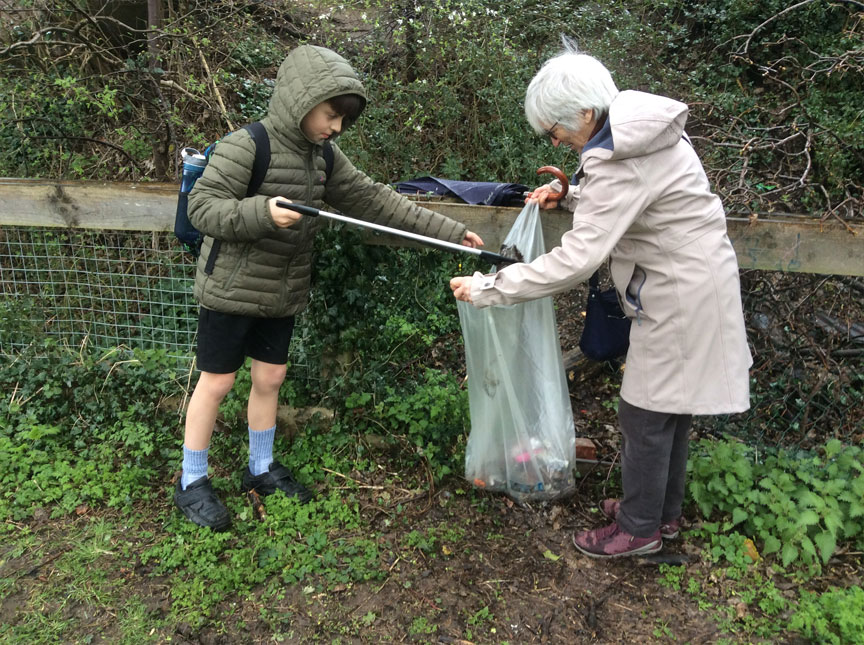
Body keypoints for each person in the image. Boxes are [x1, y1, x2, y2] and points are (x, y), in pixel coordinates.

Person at [450, 39, 752, 559]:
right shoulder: (636, 129)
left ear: (586, 112)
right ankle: (663, 515)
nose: (557, 141)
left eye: (556, 130)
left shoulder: (620, 155)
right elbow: (631, 201)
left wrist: (490, 288)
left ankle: (640, 530)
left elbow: (577, 259)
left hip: (680, 293)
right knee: (670, 409)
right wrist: (571, 194)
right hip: (695, 281)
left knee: (646, 413)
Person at [174, 44, 484, 530]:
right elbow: (203, 208)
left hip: (283, 289)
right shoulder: (245, 145)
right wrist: (262, 213)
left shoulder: (324, 158)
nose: (336, 127)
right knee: (218, 382)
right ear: (302, 100)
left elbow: (375, 201)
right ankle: (192, 479)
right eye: (330, 115)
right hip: (231, 289)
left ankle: (260, 469)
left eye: (342, 120)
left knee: (270, 379)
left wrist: (448, 231)